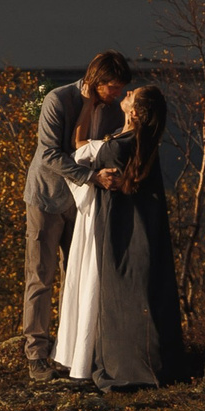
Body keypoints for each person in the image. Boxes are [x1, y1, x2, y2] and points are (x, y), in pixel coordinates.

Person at [53, 83, 189, 389]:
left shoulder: (120, 146)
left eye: (131, 96)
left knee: (117, 291)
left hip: (117, 228)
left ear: (136, 112)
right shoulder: (137, 141)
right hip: (138, 227)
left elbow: (77, 153)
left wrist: (88, 105)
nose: (125, 94)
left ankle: (122, 364)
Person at [20, 51, 132, 380]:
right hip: (47, 198)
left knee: (79, 275)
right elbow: (50, 152)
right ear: (97, 81)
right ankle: (36, 354)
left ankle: (73, 351)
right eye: (113, 86)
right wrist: (91, 177)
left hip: (84, 205)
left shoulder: (112, 110)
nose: (117, 93)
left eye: (121, 88)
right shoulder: (58, 100)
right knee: (41, 277)